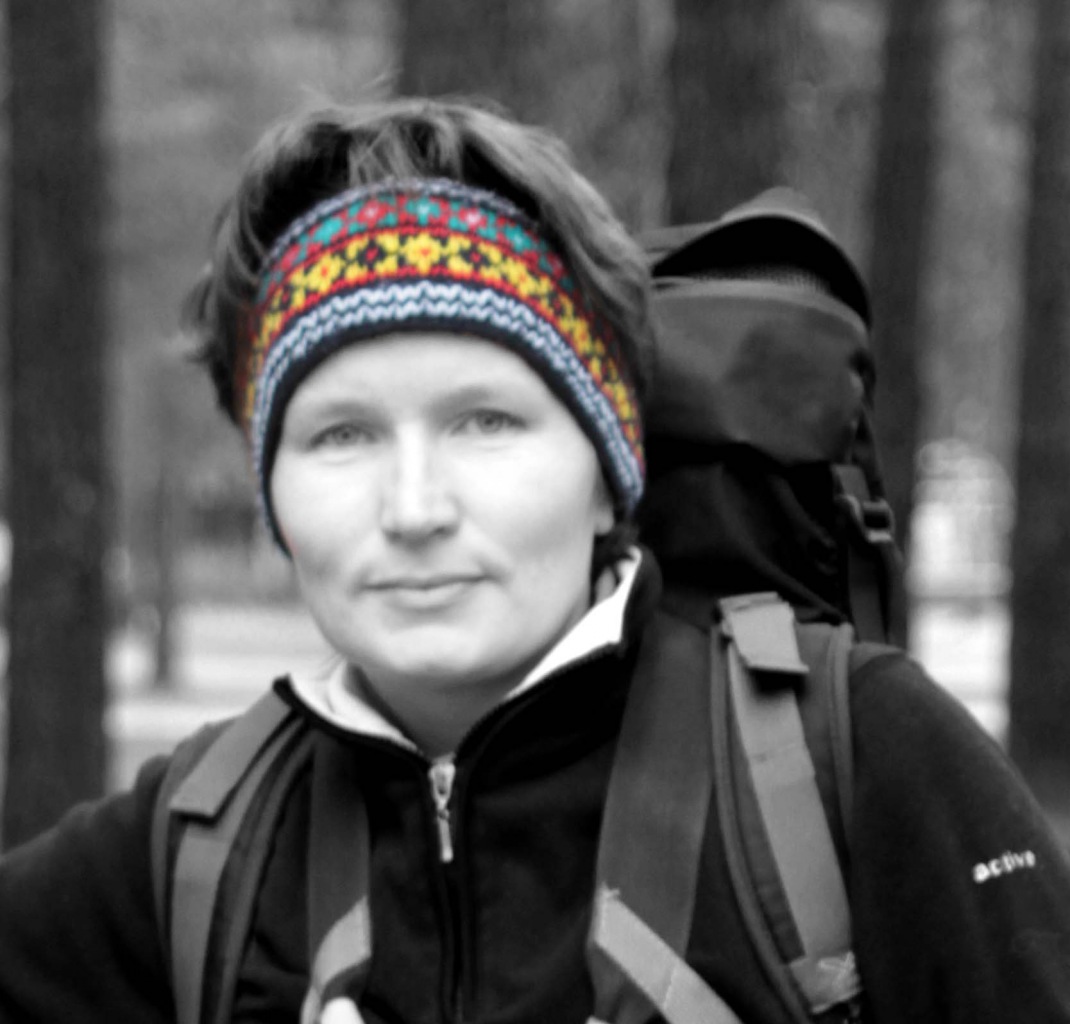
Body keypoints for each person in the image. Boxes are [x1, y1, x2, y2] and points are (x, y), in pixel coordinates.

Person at [1, 96, 1070, 1024]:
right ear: (271, 498)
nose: (413, 508)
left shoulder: (863, 759)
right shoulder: (200, 843)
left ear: (609, 474)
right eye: (340, 435)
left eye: (486, 422)